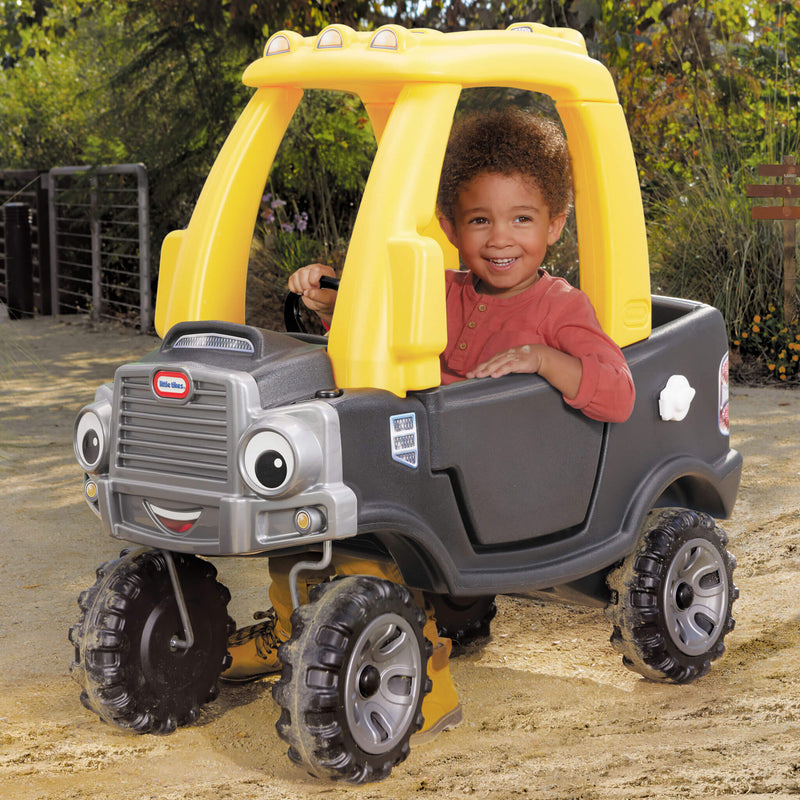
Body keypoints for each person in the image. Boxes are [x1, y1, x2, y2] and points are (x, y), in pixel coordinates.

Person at [221, 108, 636, 738]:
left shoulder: (561, 307)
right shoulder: (442, 291)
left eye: (521, 219)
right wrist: (335, 299)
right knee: (307, 522)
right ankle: (290, 627)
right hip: (437, 457)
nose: (500, 239)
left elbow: (617, 392)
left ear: (554, 224)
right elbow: (380, 337)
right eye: (480, 220)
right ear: (451, 226)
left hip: (501, 480)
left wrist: (549, 362)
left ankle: (426, 683)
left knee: (372, 538)